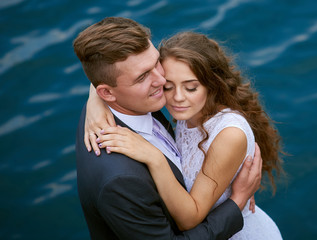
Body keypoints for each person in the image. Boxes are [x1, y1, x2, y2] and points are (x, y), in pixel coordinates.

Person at [73, 17, 262, 240]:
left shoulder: (135, 100)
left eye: (156, 63)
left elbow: (108, 76)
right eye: (143, 76)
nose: (161, 79)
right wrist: (235, 202)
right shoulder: (121, 181)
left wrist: (94, 98)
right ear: (107, 93)